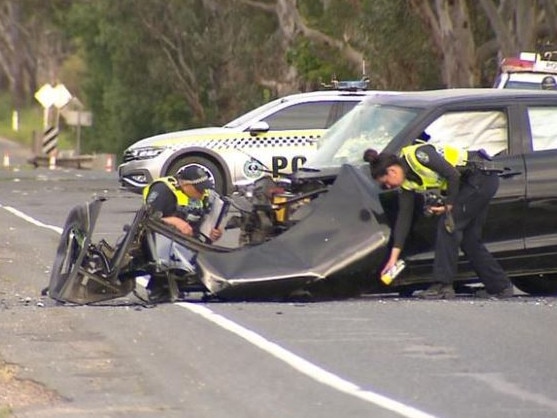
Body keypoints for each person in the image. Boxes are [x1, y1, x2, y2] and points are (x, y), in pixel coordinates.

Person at [364, 142, 513, 299]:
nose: (388, 186)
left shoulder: (419, 155)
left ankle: (442, 285)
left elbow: (453, 175)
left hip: (480, 178)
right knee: (469, 240)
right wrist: (393, 257)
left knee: (447, 225)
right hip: (470, 185)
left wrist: (448, 205)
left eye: (386, 182)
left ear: (392, 171)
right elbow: (403, 219)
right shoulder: (407, 183)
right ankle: (500, 287)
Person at [142, 166, 224, 300]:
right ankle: (161, 284)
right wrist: (174, 221)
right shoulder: (163, 190)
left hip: (189, 241)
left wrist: (214, 231)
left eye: (204, 188)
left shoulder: (204, 195)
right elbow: (147, 219)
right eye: (199, 189)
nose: (202, 192)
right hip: (159, 241)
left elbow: (205, 221)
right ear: (185, 184)